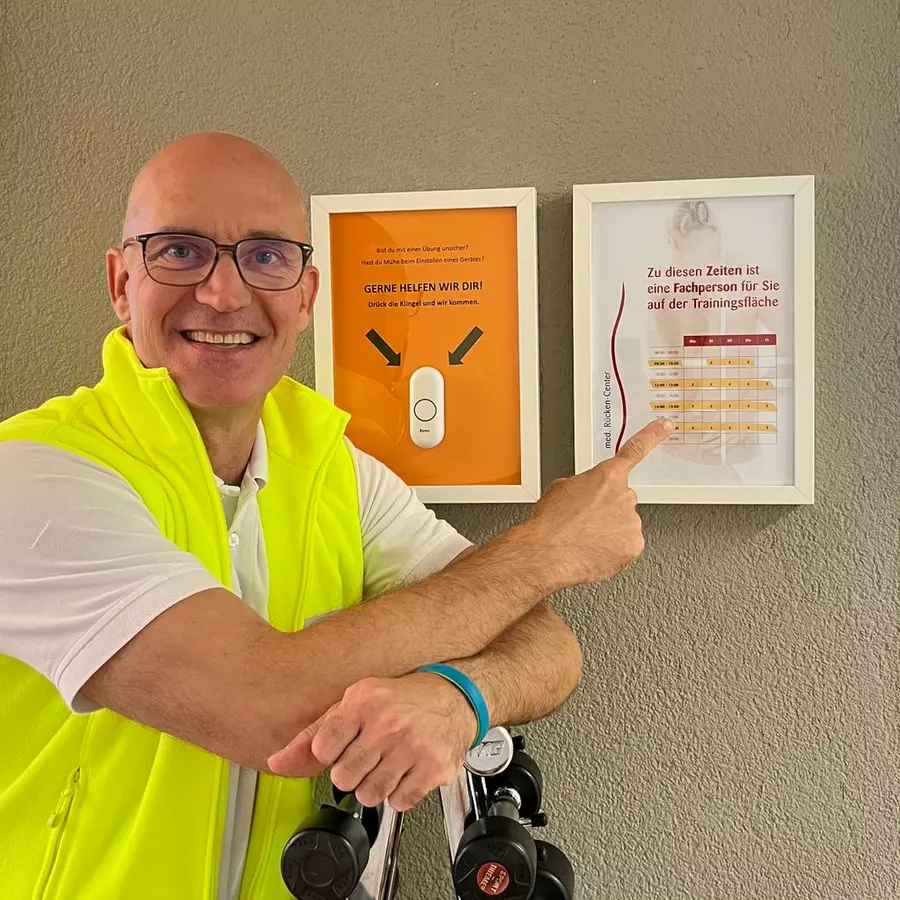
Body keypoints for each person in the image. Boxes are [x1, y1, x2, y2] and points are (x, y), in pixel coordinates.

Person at [0, 132, 671, 899]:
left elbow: (548, 644)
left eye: (266, 256)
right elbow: (263, 705)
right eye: (180, 251)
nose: (223, 292)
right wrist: (549, 547)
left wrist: (460, 697)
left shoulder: (335, 470)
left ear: (306, 295)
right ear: (122, 284)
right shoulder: (33, 475)